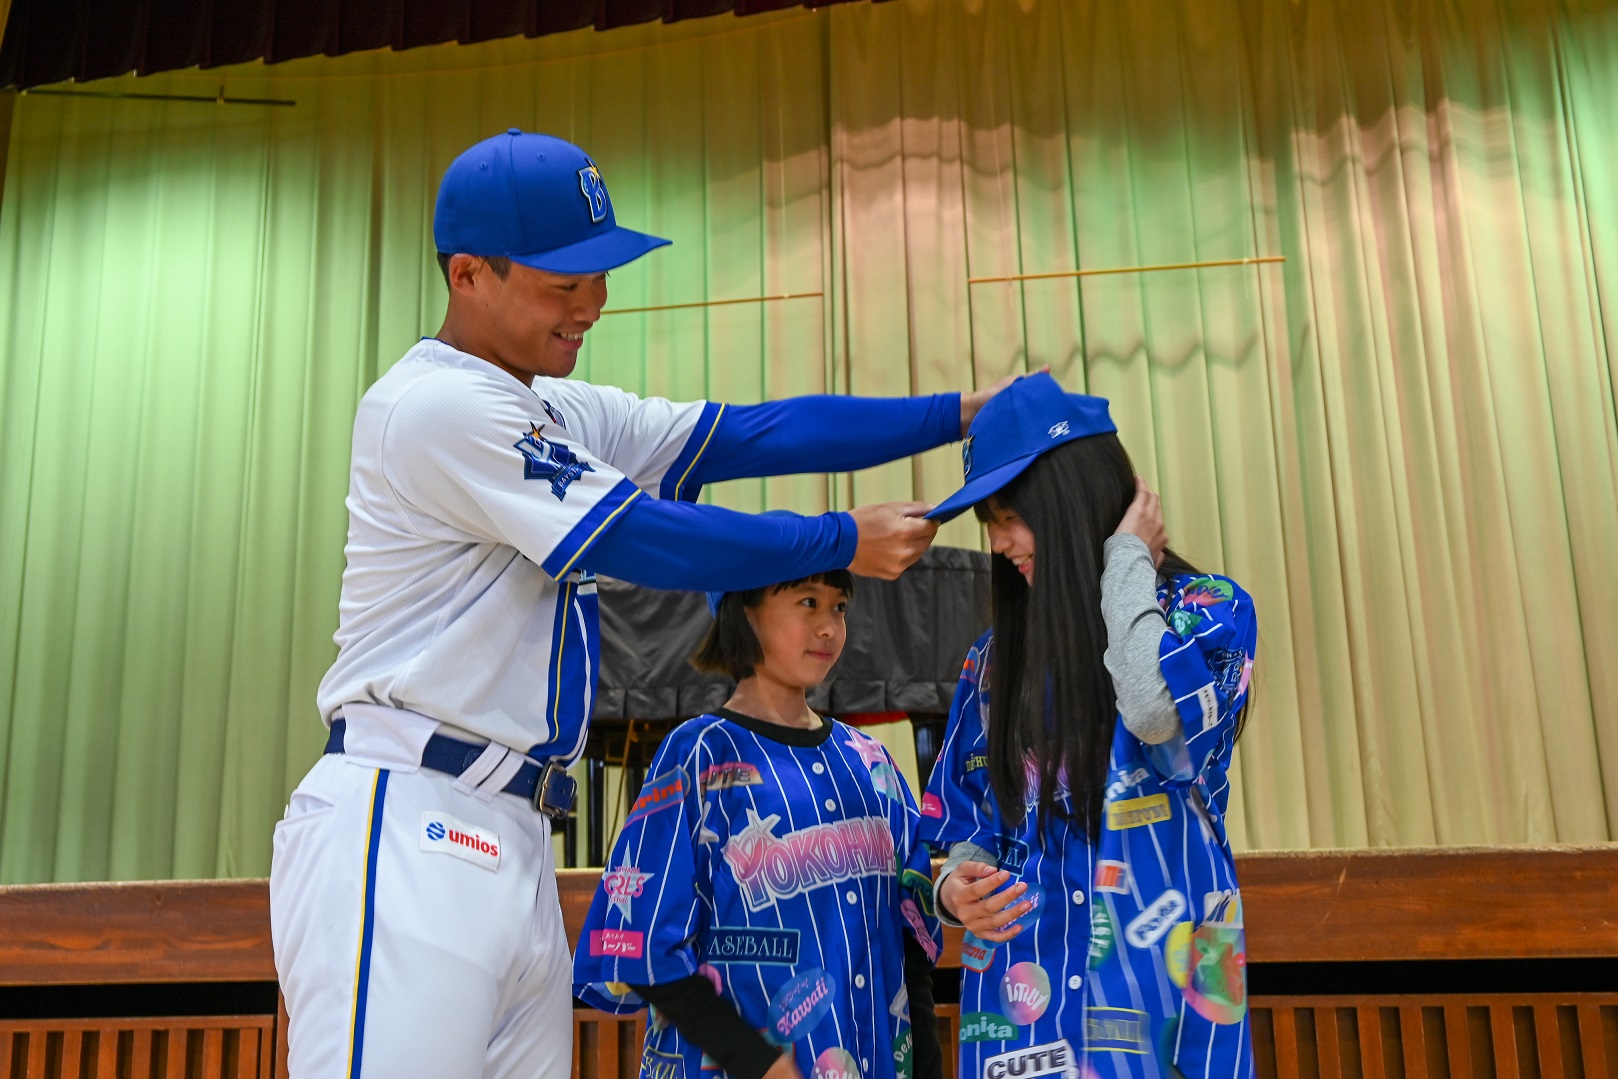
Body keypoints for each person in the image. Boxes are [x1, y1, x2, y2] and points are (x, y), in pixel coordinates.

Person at [268, 128, 1012, 1079]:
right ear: (468, 274)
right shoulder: (434, 406)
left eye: (600, 276)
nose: (592, 304)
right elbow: (640, 537)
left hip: (516, 825)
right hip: (408, 813)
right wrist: (839, 540)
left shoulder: (555, 408)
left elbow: (754, 433)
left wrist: (957, 413)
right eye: (561, 282)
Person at [917, 372, 1258, 1079]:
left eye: (1013, 516)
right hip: (1020, 992)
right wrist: (956, 890)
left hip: (1170, 986)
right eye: (991, 525)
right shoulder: (993, 660)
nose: (1002, 543)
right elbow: (965, 826)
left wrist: (1126, 559)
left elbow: (1155, 709)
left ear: (1071, 499)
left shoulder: (1209, 610)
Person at [573, 563, 943, 1079]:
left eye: (839, 606)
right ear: (743, 612)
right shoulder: (699, 753)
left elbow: (911, 940)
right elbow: (641, 943)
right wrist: (758, 1064)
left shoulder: (872, 760)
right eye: (807, 602)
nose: (829, 626)